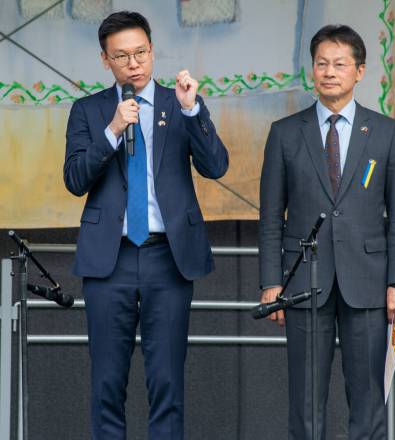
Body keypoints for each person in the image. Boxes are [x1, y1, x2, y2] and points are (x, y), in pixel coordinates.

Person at [64, 11, 228, 440]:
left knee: (167, 382)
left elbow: (216, 166)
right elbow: (75, 180)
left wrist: (193, 110)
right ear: (105, 59)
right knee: (106, 383)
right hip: (110, 259)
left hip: (168, 257)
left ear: (153, 51)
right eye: (121, 56)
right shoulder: (88, 110)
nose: (133, 63)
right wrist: (113, 130)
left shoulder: (180, 104)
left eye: (140, 52)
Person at [259, 24, 395, 440]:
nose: (329, 72)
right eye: (322, 63)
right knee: (306, 403)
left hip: (369, 284)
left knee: (368, 400)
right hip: (304, 283)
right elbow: (270, 217)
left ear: (359, 71)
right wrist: (272, 283)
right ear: (312, 69)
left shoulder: (385, 132)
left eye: (340, 64)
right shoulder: (285, 133)